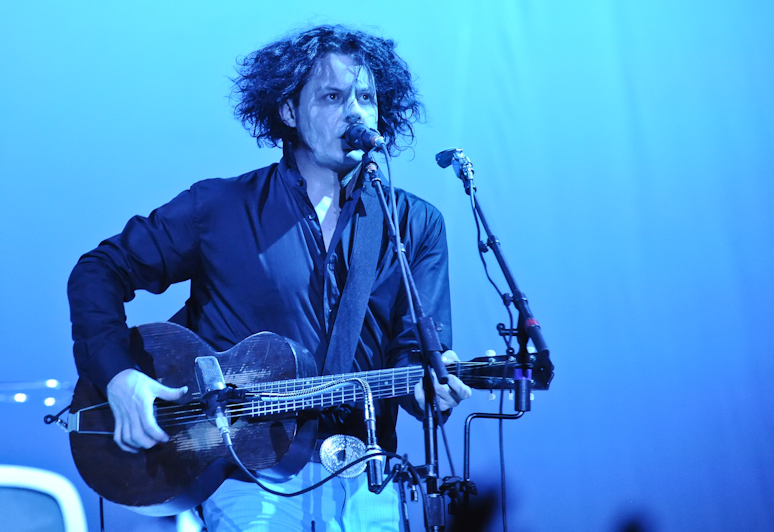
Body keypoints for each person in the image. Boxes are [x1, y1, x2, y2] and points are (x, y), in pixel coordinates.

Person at [67, 24, 471, 531]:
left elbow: (416, 354)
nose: (356, 112)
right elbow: (98, 271)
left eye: (366, 97)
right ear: (288, 111)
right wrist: (119, 375)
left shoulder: (414, 223)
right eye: (332, 96)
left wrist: (427, 387)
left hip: (369, 476)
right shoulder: (220, 209)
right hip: (250, 482)